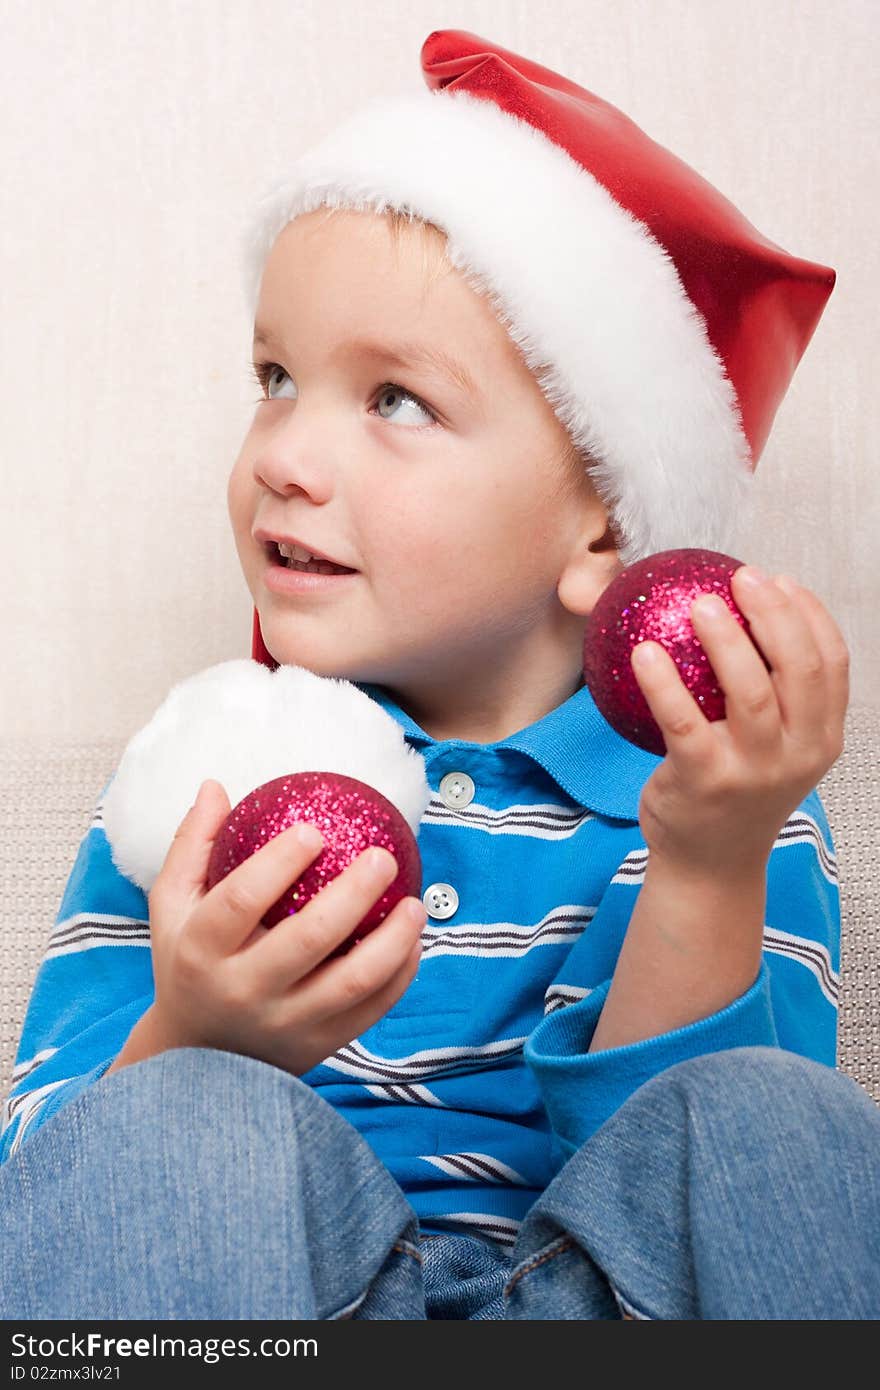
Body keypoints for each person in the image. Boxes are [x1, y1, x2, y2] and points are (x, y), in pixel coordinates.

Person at [2, 28, 878, 1321]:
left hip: (602, 1302)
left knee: (775, 1121)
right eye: (276, 378)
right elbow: (53, 1186)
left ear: (603, 529)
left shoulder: (721, 785)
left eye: (395, 400)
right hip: (287, 1318)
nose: (285, 455)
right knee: (170, 1128)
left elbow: (718, 1191)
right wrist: (191, 1032)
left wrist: (706, 858)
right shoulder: (194, 782)